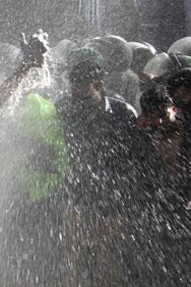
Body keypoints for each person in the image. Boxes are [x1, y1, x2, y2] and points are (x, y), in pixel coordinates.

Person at [55, 58, 141, 286]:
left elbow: (138, 158)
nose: (76, 90)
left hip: (114, 197)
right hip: (77, 195)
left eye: (82, 85)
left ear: (99, 86)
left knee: (108, 257)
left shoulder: (123, 113)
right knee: (73, 255)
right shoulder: (64, 109)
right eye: (73, 84)